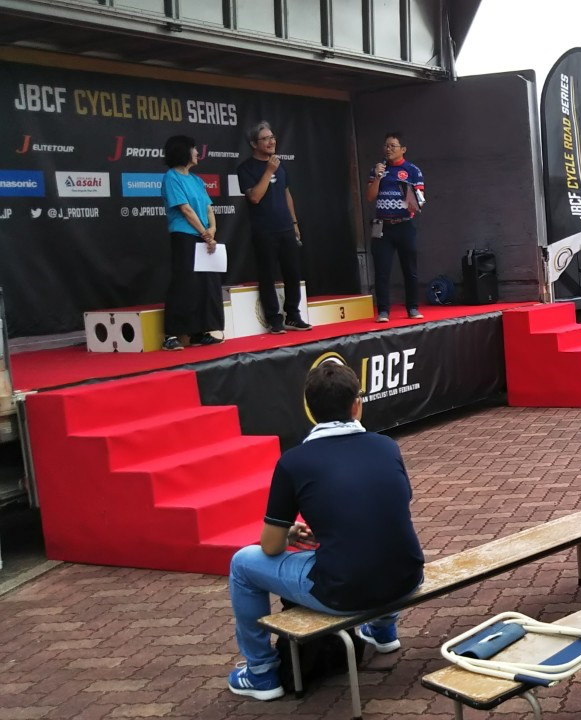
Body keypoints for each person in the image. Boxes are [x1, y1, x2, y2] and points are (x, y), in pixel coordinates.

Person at [226, 363, 424, 701]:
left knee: (242, 564)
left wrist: (290, 535)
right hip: (408, 578)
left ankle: (261, 672)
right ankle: (383, 630)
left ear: (309, 409)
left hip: (343, 593)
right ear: (356, 405)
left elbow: (270, 547)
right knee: (383, 542)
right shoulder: (386, 446)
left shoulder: (294, 461)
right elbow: (390, 508)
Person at [236, 121, 311, 334]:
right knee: (267, 275)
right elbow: (255, 197)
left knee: (293, 273)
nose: (271, 142)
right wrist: (269, 171)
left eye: (272, 137)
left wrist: (294, 222)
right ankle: (273, 319)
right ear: (254, 144)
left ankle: (293, 315)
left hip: (285, 227)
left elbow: (286, 193)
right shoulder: (246, 168)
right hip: (264, 230)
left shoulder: (280, 164)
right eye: (265, 139)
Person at [160, 134, 224, 351]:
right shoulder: (171, 177)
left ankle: (200, 332)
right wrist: (205, 233)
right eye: (194, 149)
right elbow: (185, 210)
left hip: (204, 237)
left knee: (205, 284)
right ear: (183, 151)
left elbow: (208, 207)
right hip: (185, 236)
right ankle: (171, 335)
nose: (197, 153)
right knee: (185, 283)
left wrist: (212, 230)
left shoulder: (196, 180)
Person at [364, 132, 425, 323]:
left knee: (410, 269)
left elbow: (419, 204)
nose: (388, 149)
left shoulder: (413, 170)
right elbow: (370, 197)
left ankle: (412, 308)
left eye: (393, 146)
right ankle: (383, 311)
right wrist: (378, 177)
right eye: (386, 146)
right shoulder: (377, 169)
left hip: (404, 225)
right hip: (383, 227)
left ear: (403, 149)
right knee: (382, 270)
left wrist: (407, 193)